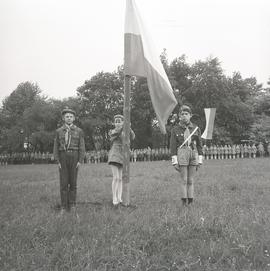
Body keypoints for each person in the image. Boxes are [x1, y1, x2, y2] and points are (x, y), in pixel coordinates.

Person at [53, 107, 85, 213]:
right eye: (67, 116)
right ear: (63, 118)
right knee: (63, 183)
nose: (69, 118)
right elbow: (55, 146)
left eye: (71, 116)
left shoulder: (79, 131)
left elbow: (82, 146)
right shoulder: (59, 131)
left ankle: (72, 205)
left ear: (74, 118)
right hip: (63, 157)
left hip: (74, 156)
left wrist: (80, 160)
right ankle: (63, 206)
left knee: (73, 182)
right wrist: (58, 161)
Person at [170, 105, 203, 206]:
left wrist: (200, 159)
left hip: (193, 153)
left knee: (191, 180)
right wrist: (175, 161)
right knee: (184, 180)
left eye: (186, 114)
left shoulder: (196, 128)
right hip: (182, 154)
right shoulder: (175, 129)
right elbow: (173, 146)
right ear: (179, 116)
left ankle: (191, 201)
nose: (184, 116)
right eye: (182, 114)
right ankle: (184, 202)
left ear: (190, 115)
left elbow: (199, 145)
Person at [108, 114, 135, 206]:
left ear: (123, 122)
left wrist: (129, 128)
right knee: (116, 177)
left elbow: (132, 136)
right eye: (116, 122)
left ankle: (119, 197)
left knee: (120, 178)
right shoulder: (113, 131)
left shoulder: (125, 131)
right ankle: (114, 198)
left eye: (120, 121)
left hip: (122, 156)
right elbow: (114, 136)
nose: (117, 123)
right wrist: (124, 127)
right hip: (114, 154)